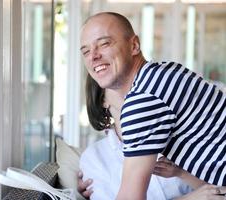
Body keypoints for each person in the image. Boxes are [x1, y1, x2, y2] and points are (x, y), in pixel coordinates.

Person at [80, 11, 226, 199]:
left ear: (134, 45)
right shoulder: (165, 71)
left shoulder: (143, 99)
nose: (93, 56)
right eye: (86, 51)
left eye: (104, 43)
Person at [79, 74, 225, 200]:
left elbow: (218, 191)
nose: (136, 89)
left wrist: (181, 173)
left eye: (137, 81)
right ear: (102, 99)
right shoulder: (94, 158)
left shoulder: (181, 133)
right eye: (120, 83)